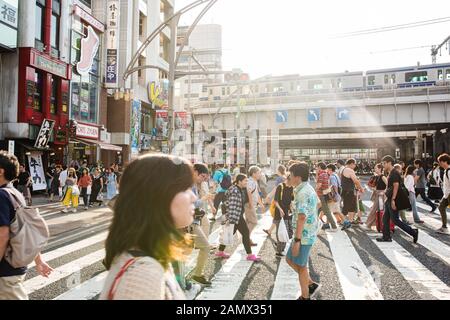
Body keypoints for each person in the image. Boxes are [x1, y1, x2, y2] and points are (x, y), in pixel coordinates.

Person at [99, 154, 195, 300]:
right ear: (158, 195)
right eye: (184, 188)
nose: (193, 197)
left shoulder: (147, 256)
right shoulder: (143, 274)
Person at [0, 151, 53, 300]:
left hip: (4, 272)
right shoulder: (15, 193)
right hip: (13, 269)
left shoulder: (2, 196)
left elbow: (3, 235)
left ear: (0, 171)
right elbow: (26, 229)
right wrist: (39, 260)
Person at [286, 162, 321, 300]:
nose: (289, 177)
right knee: (289, 259)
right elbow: (317, 204)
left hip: (304, 235)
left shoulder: (302, 193)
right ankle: (311, 285)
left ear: (298, 177)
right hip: (307, 232)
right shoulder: (306, 188)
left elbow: (301, 217)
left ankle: (305, 296)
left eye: (291, 175)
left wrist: (297, 241)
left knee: (301, 266)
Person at [215, 174, 261, 262]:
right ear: (239, 181)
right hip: (235, 216)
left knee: (229, 233)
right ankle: (250, 255)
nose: (246, 182)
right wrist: (231, 219)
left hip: (236, 215)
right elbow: (231, 205)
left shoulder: (240, 189)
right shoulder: (235, 190)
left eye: (247, 180)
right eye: (245, 181)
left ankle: (220, 251)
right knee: (245, 233)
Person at [376, 156, 419, 243]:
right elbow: (390, 186)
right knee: (385, 218)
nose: (383, 165)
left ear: (389, 163)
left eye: (384, 163)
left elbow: (396, 186)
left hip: (393, 198)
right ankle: (386, 236)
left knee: (395, 220)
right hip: (389, 198)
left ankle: (413, 232)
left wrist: (393, 200)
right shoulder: (390, 172)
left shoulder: (394, 173)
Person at [189, 163, 213, 286]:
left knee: (183, 252)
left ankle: (190, 277)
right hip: (188, 222)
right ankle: (196, 275)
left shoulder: (193, 184)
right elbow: (191, 204)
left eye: (205, 178)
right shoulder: (188, 184)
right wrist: (204, 199)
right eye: (202, 176)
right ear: (195, 171)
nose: (203, 180)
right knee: (205, 247)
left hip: (192, 221)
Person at [273, 174, 294, 257]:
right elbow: (275, 201)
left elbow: (292, 200)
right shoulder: (280, 187)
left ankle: (279, 245)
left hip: (288, 212)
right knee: (281, 232)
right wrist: (280, 210)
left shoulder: (292, 188)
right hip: (280, 213)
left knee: (289, 232)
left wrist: (292, 209)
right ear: (289, 180)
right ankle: (279, 250)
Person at [263, 165, 287, 236]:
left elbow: (276, 188)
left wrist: (269, 196)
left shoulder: (279, 178)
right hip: (284, 198)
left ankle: (279, 233)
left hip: (279, 199)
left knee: (277, 214)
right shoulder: (285, 177)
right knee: (278, 215)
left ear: (278, 170)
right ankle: (270, 230)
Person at [341, 159, 364, 229]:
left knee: (351, 208)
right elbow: (356, 181)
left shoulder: (343, 169)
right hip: (348, 192)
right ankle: (344, 222)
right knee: (346, 208)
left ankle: (349, 222)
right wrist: (361, 188)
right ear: (351, 163)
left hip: (346, 191)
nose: (355, 166)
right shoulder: (349, 170)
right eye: (355, 164)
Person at [327, 164, 352, 230]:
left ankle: (346, 222)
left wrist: (335, 195)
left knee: (334, 211)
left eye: (327, 169)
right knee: (335, 211)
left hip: (335, 196)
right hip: (337, 195)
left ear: (330, 169)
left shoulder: (332, 177)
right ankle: (343, 222)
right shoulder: (336, 175)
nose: (327, 171)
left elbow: (334, 186)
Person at [364, 163, 387, 230]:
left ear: (380, 169)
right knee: (377, 210)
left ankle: (368, 224)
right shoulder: (377, 176)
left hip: (381, 195)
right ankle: (377, 224)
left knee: (374, 209)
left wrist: (383, 192)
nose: (374, 169)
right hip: (378, 194)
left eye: (375, 168)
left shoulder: (382, 176)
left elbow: (388, 184)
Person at [315, 162, 338, 231]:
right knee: (317, 210)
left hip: (321, 195)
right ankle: (316, 224)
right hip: (325, 195)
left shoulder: (321, 175)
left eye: (317, 167)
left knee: (326, 211)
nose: (316, 169)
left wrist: (314, 191)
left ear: (319, 167)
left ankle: (334, 227)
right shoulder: (326, 174)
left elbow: (318, 186)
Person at [246, 166, 264, 242]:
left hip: (251, 204)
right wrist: (250, 204)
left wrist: (261, 204)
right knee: (253, 222)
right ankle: (246, 238)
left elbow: (256, 194)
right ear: (253, 174)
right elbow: (248, 192)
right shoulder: (250, 181)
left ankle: (247, 238)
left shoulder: (254, 181)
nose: (260, 174)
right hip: (249, 205)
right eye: (259, 173)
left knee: (249, 222)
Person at [436, 154, 450, 235]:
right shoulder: (446, 171)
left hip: (449, 194)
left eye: (440, 162)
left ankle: (444, 227)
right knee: (441, 207)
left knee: (441, 207)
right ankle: (444, 227)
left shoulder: (449, 171)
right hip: (446, 194)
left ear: (445, 161)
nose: (439, 164)